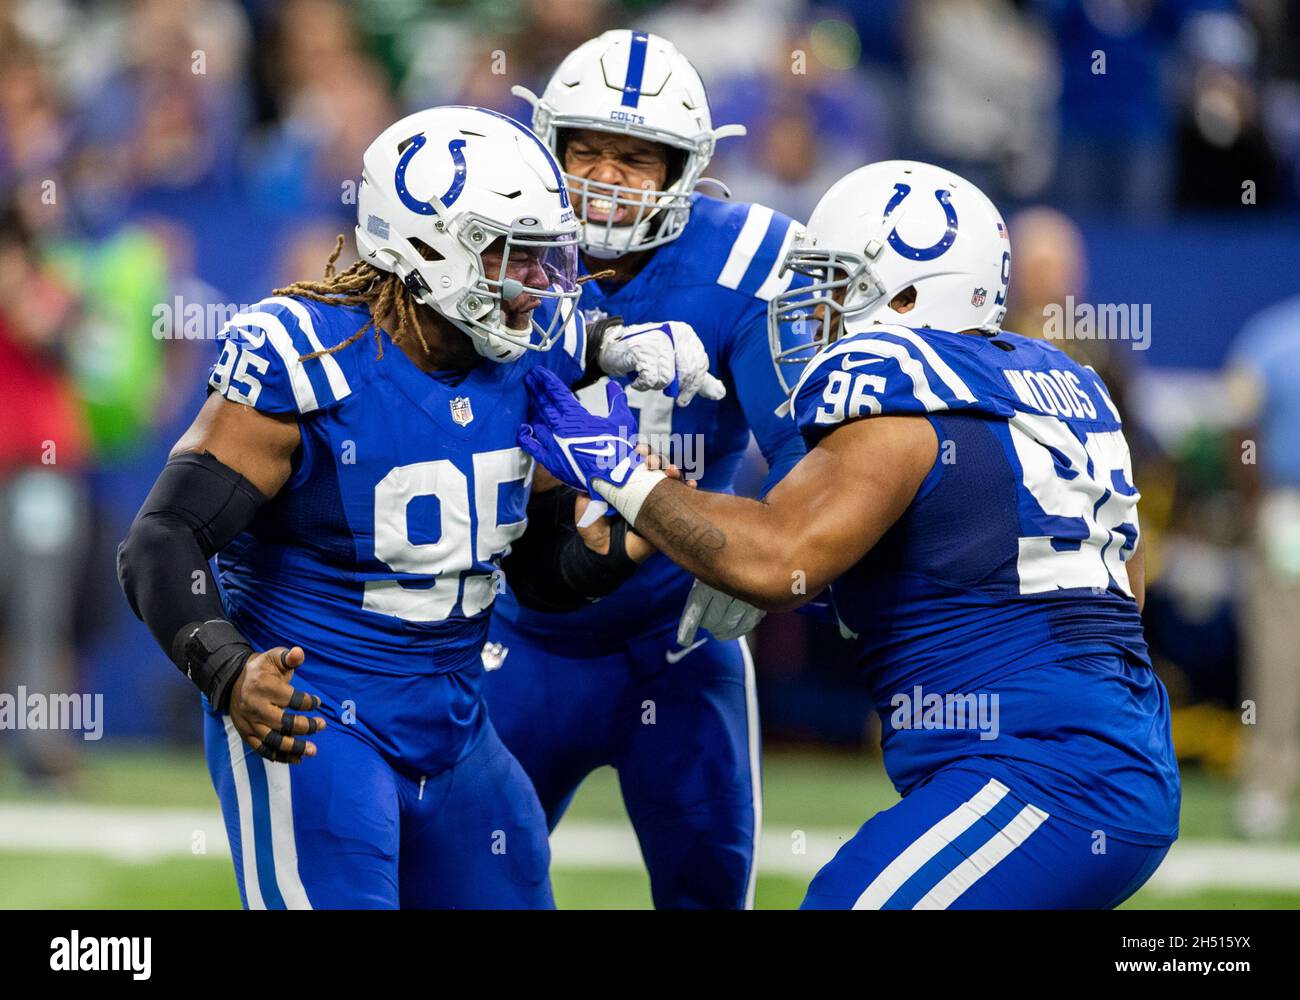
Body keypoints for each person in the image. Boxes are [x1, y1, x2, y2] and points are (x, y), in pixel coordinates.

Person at [518, 159, 1181, 909]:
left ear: (907, 293)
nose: (812, 309)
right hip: (1109, 744)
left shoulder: (904, 386)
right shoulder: (1060, 382)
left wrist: (615, 470)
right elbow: (1124, 580)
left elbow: (776, 554)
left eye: (838, 284)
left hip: (1043, 768)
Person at [116, 105, 719, 909]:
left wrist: (620, 547)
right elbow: (163, 539)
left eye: (545, 257)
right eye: (513, 254)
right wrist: (228, 670)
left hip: (459, 729)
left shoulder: (531, 351)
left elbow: (538, 578)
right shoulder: (312, 355)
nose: (537, 283)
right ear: (429, 248)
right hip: (317, 719)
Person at [485, 29, 807, 908]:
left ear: (685, 169)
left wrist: (770, 552)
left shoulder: (750, 260)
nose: (603, 176)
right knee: (465, 889)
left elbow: (809, 446)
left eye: (634, 157)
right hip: (517, 630)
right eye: (583, 149)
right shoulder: (490, 243)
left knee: (707, 891)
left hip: (678, 634)